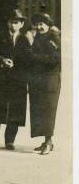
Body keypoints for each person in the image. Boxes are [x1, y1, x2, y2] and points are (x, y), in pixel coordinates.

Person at [0, 9, 31, 150]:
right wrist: (2, 60)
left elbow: (28, 59)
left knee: (15, 110)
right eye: (11, 22)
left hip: (17, 80)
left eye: (16, 22)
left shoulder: (24, 40)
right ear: (7, 22)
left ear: (21, 24)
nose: (13, 25)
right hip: (0, 79)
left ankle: (9, 141)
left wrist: (15, 63)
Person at [28, 12, 61, 155]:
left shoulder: (54, 38)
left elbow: (55, 59)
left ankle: (49, 141)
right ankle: (46, 141)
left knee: (49, 111)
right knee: (39, 111)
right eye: (38, 24)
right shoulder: (36, 38)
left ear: (48, 25)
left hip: (49, 81)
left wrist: (34, 58)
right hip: (37, 81)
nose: (40, 27)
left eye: (43, 24)